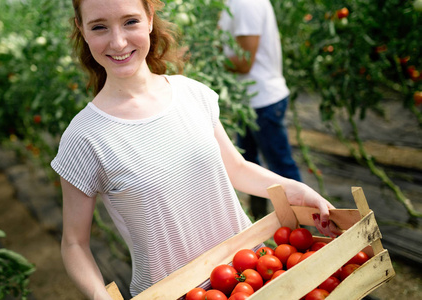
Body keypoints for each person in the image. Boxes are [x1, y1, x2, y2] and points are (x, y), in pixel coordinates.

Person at [51, 0, 338, 298]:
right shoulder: (83, 137)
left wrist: (297, 190)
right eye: (99, 27)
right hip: (172, 293)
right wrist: (100, 296)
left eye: (130, 22)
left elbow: (236, 169)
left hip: (249, 277)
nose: (118, 41)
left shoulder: (191, 94)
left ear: (150, 19)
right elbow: (74, 243)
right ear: (81, 30)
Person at [218, 0, 302, 219]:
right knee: (250, 169)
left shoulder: (246, 3)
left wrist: (210, 60)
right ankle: (262, 227)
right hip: (246, 102)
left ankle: (308, 235)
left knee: (281, 169)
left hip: (263, 101)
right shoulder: (232, 3)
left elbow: (244, 62)